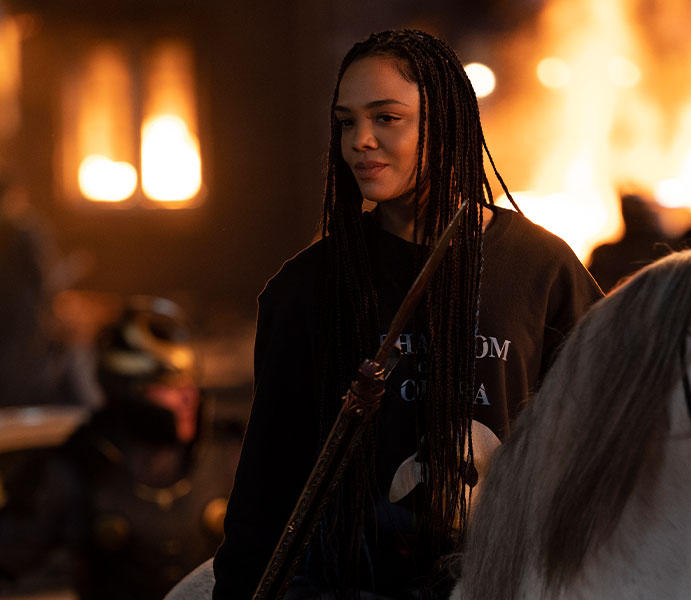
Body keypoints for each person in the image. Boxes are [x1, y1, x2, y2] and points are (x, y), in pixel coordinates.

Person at [212, 29, 603, 599]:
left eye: (386, 118)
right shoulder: (307, 289)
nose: (360, 141)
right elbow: (268, 483)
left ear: (445, 124)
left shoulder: (540, 268)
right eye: (346, 122)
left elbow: (601, 443)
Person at [0, 296, 240, 600]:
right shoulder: (80, 464)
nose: (189, 398)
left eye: (190, 383)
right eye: (169, 385)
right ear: (128, 389)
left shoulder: (230, 456)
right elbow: (3, 552)